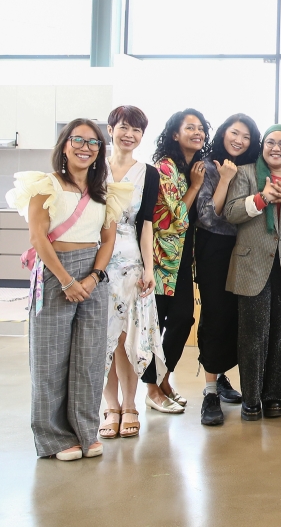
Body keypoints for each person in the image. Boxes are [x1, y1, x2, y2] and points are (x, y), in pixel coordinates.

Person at [6, 119, 131, 460]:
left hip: (94, 274)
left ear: (99, 151)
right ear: (64, 145)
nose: (85, 147)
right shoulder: (45, 186)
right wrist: (66, 280)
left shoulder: (107, 191)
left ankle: (84, 432)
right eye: (78, 140)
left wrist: (93, 277)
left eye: (93, 143)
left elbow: (108, 239)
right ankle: (54, 439)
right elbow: (37, 238)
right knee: (50, 359)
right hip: (54, 273)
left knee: (90, 360)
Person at [225, 125, 281, 421]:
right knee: (252, 336)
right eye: (270, 142)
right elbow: (232, 213)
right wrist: (261, 198)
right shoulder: (245, 173)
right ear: (262, 145)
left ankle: (275, 396)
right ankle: (251, 399)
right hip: (252, 265)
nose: (276, 148)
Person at [99, 106, 166, 440]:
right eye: (124, 127)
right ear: (111, 128)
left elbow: (147, 224)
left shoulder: (149, 173)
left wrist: (149, 267)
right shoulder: (94, 168)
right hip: (95, 263)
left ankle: (130, 406)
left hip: (130, 265)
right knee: (101, 340)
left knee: (127, 341)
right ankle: (109, 406)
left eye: (136, 130)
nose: (129, 135)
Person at [141, 109, 210, 414]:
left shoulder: (190, 167)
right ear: (174, 134)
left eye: (201, 128)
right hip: (160, 261)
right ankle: (152, 389)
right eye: (190, 127)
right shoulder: (165, 168)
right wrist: (194, 187)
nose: (198, 132)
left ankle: (164, 379)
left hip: (181, 261)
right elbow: (177, 222)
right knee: (158, 324)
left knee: (183, 319)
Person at [194, 113, 260, 426]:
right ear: (223, 133)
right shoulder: (208, 166)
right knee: (216, 315)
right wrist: (224, 179)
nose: (239, 140)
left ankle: (220, 378)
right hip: (214, 250)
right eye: (235, 133)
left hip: (245, 249)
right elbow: (208, 216)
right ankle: (209, 392)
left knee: (236, 317)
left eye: (246, 136)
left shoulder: (252, 168)